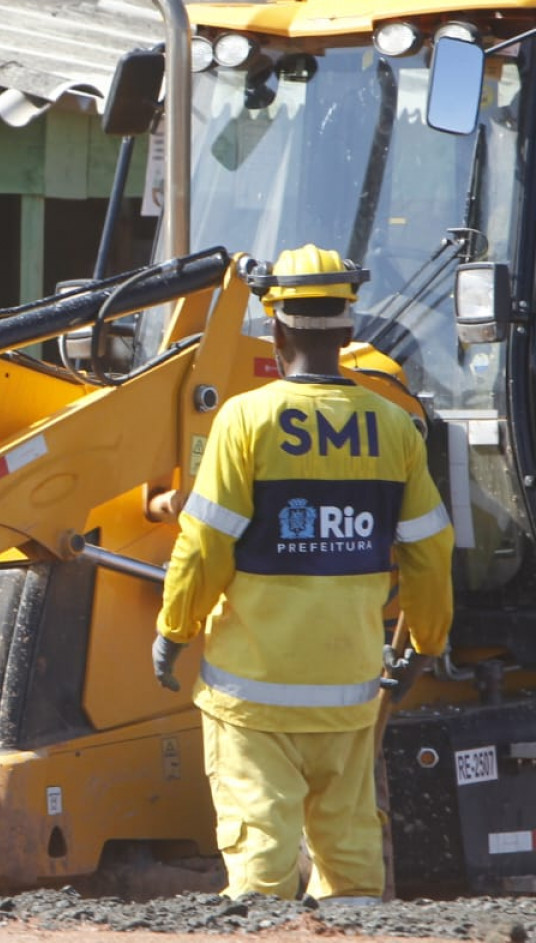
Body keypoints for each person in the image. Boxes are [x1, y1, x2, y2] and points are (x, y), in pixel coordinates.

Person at [152, 245, 454, 903]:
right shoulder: (394, 428)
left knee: (262, 868)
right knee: (351, 864)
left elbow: (205, 546)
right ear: (348, 332)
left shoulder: (245, 420)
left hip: (253, 698)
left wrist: (174, 629)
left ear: (276, 330)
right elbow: (431, 552)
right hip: (348, 694)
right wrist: (425, 645)